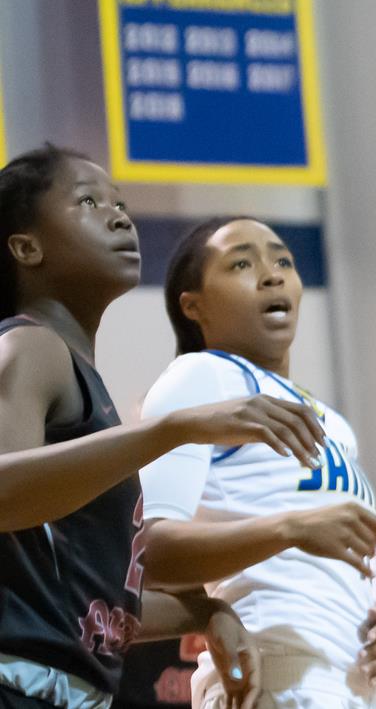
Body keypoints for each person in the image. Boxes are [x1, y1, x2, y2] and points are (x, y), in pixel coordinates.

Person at [0, 147, 327, 709]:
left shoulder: (82, 381)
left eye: (121, 203)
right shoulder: (30, 348)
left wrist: (206, 610)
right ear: (28, 248)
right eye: (88, 202)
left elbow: (94, 603)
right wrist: (176, 429)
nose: (119, 215)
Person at [137, 216, 376, 709]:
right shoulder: (202, 377)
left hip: (356, 685)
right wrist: (287, 528)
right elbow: (148, 553)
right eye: (242, 262)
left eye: (283, 261)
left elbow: (321, 569)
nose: (272, 274)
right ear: (193, 305)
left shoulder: (332, 422)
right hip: (275, 673)